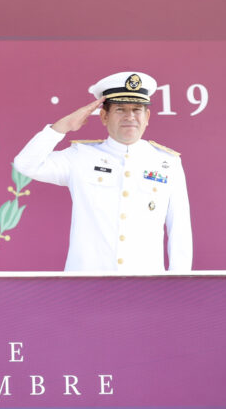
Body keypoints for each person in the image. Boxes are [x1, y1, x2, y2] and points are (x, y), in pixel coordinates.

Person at [13, 71, 192, 273]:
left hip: (146, 285)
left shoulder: (167, 162)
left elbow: (180, 230)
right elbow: (25, 164)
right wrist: (62, 127)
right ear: (104, 116)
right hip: (86, 284)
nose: (130, 117)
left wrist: (179, 283)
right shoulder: (80, 156)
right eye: (120, 110)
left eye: (137, 109)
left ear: (147, 116)